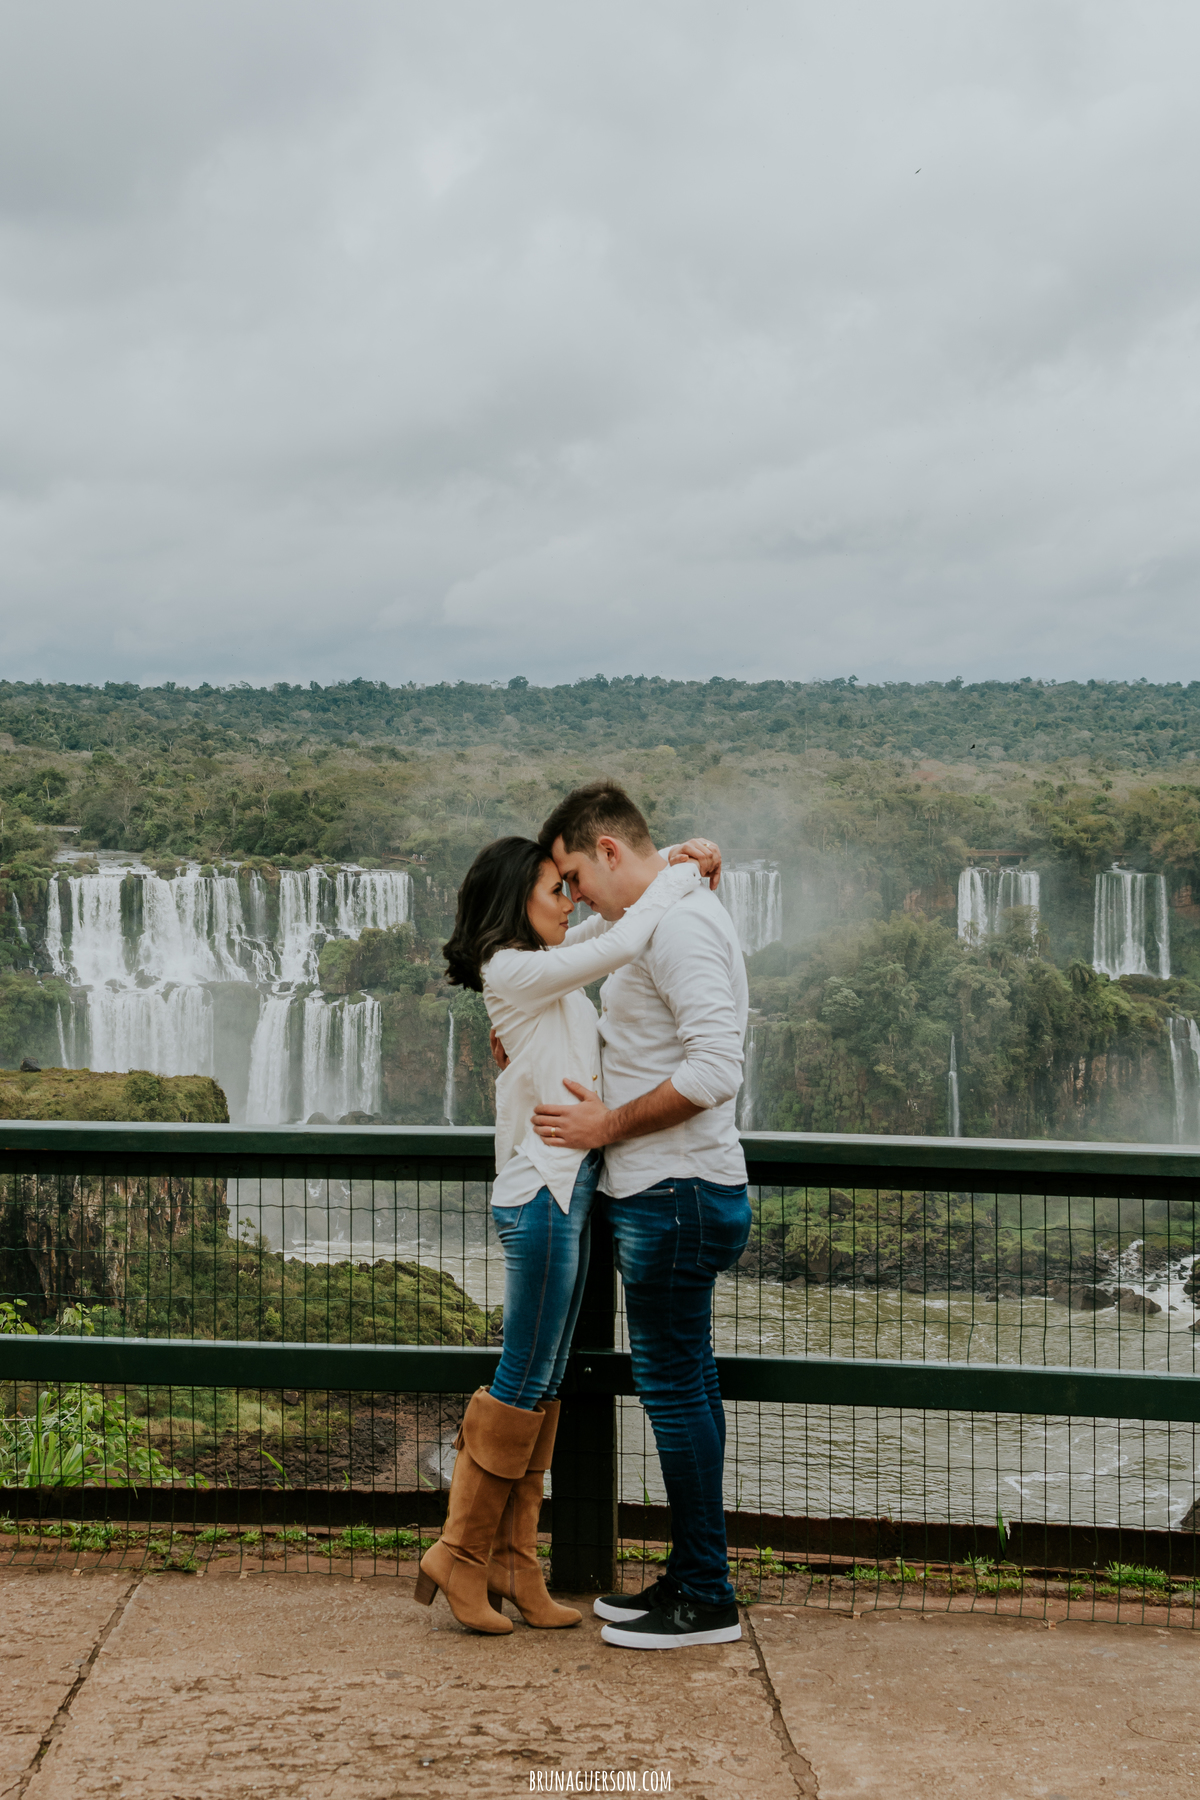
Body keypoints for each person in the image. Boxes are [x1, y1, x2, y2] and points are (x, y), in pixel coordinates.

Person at [414, 832, 719, 1635]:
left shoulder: (540, 962)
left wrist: (673, 856)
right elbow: (620, 938)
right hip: (542, 1195)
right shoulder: (512, 968)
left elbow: (610, 922)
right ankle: (460, 1554)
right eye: (557, 889)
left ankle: (515, 1562)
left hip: (567, 1191)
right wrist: (680, 875)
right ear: (517, 900)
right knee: (523, 1377)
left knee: (545, 1381)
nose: (571, 899)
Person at [530, 781, 751, 1651]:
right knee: (686, 1386)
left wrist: (604, 1127)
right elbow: (555, 961)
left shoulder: (680, 927)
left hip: (677, 1194)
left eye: (577, 877)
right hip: (671, 1193)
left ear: (611, 852)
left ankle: (706, 1597)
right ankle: (695, 1575)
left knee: (674, 1390)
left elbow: (714, 1070)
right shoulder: (646, 920)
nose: (577, 895)